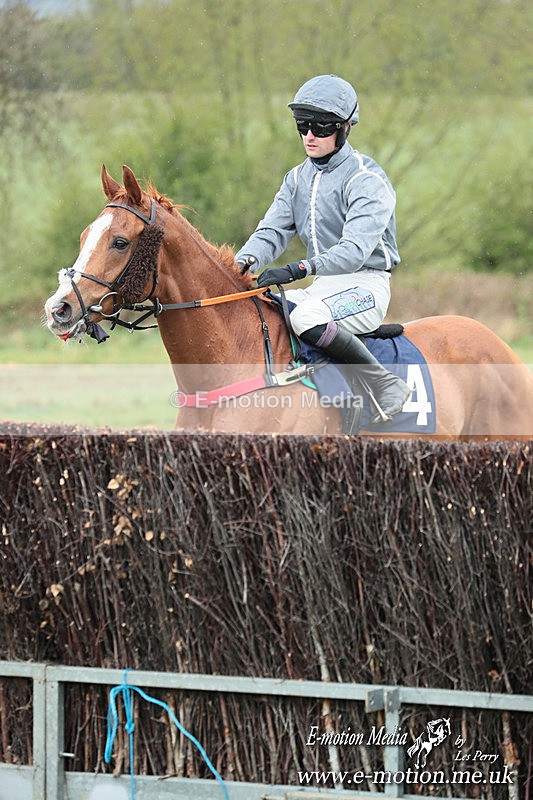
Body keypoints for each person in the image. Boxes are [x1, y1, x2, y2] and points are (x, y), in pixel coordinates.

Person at [235, 74, 411, 423]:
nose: (310, 135)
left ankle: (386, 385)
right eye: (302, 126)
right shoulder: (296, 179)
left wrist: (298, 268)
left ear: (345, 128)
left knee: (305, 317)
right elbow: (271, 231)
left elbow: (354, 251)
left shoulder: (367, 180)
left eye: (321, 126)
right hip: (324, 287)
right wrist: (241, 263)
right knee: (267, 307)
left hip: (366, 286)